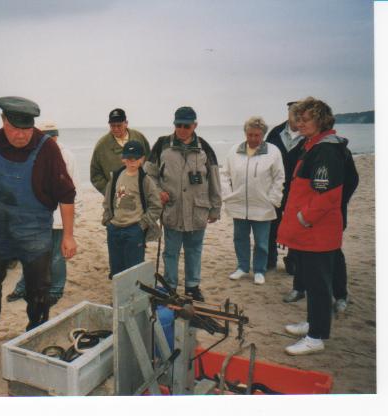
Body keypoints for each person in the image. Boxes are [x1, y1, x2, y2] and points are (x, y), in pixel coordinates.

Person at [0, 97, 77, 336]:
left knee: (38, 291)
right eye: (14, 129)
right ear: (3, 121)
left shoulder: (48, 148)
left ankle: (35, 334)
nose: (21, 135)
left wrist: (69, 236)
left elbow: (66, 195)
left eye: (27, 129)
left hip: (34, 233)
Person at [277, 97, 349, 356]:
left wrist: (303, 218)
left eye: (306, 119)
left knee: (318, 285)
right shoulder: (314, 145)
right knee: (311, 282)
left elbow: (329, 194)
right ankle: (313, 323)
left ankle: (316, 337)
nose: (300, 123)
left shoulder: (326, 149)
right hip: (310, 232)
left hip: (316, 231)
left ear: (321, 120)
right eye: (299, 118)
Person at [145, 106, 222, 301]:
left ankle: (192, 286)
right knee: (170, 251)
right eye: (178, 125)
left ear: (194, 125)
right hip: (172, 209)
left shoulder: (205, 148)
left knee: (194, 250)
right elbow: (149, 175)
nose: (182, 129)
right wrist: (158, 191)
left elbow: (214, 179)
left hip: (198, 210)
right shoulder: (162, 145)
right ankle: (170, 286)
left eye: (186, 125)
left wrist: (216, 208)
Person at [6, 121, 80, 304]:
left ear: (56, 136)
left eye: (52, 137)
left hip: (57, 217)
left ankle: (56, 290)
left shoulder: (67, 156)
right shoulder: (32, 154)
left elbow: (75, 188)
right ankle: (23, 287)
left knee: (56, 255)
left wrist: (72, 220)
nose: (49, 140)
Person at [283, 145, 359, 310]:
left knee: (334, 254)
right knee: (298, 252)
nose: (299, 122)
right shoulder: (302, 146)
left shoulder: (334, 149)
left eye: (304, 119)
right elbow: (291, 177)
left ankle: (340, 295)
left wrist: (338, 203)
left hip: (327, 213)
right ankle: (299, 288)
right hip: (302, 213)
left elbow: (352, 180)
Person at [221, 117, 285, 285]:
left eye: (257, 135)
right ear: (245, 133)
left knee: (262, 242)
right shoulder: (234, 150)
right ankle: (242, 267)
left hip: (263, 206)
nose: (253, 139)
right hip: (239, 204)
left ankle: (259, 270)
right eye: (250, 134)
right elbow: (224, 174)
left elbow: (279, 178)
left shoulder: (273, 151)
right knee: (239, 238)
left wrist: (273, 200)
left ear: (263, 134)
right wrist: (228, 196)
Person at [102, 140, 162, 278]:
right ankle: (119, 298)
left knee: (134, 269)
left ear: (142, 159)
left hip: (134, 230)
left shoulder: (145, 180)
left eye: (135, 158)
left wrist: (142, 225)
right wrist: (108, 221)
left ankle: (133, 298)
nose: (132, 161)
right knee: (116, 269)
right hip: (114, 229)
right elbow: (107, 200)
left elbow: (156, 206)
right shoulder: (116, 176)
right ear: (123, 159)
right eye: (128, 158)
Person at [265, 102, 305, 271]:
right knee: (272, 223)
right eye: (293, 112)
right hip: (275, 187)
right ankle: (270, 259)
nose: (296, 116)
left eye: (300, 113)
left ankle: (293, 260)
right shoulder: (275, 132)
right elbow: (264, 157)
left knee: (296, 225)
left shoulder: (309, 134)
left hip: (299, 189)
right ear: (288, 112)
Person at [90, 108, 151, 194]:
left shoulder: (139, 137)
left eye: (119, 125)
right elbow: (95, 175)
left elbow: (150, 162)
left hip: (141, 192)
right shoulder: (101, 145)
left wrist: (148, 186)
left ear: (126, 123)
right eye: (112, 126)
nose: (116, 129)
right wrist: (110, 192)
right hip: (116, 197)